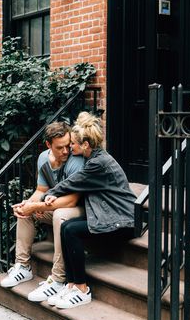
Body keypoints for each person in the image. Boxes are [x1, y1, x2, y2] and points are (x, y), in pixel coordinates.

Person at [40, 111, 137, 309]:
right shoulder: (95, 158)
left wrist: (46, 195)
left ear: (85, 145)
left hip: (123, 220)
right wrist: (52, 193)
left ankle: (82, 289)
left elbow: (74, 181)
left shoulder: (98, 163)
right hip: (109, 214)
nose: (70, 147)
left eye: (73, 143)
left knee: (71, 230)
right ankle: (72, 284)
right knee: (67, 227)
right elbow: (73, 182)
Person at [0, 121, 85, 304]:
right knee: (26, 210)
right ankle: (23, 267)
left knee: (60, 214)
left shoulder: (76, 161)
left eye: (67, 145)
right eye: (59, 147)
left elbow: (72, 200)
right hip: (56, 204)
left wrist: (37, 206)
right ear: (48, 145)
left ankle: (58, 279)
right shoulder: (43, 158)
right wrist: (28, 204)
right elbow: (41, 190)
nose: (65, 151)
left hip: (82, 210)